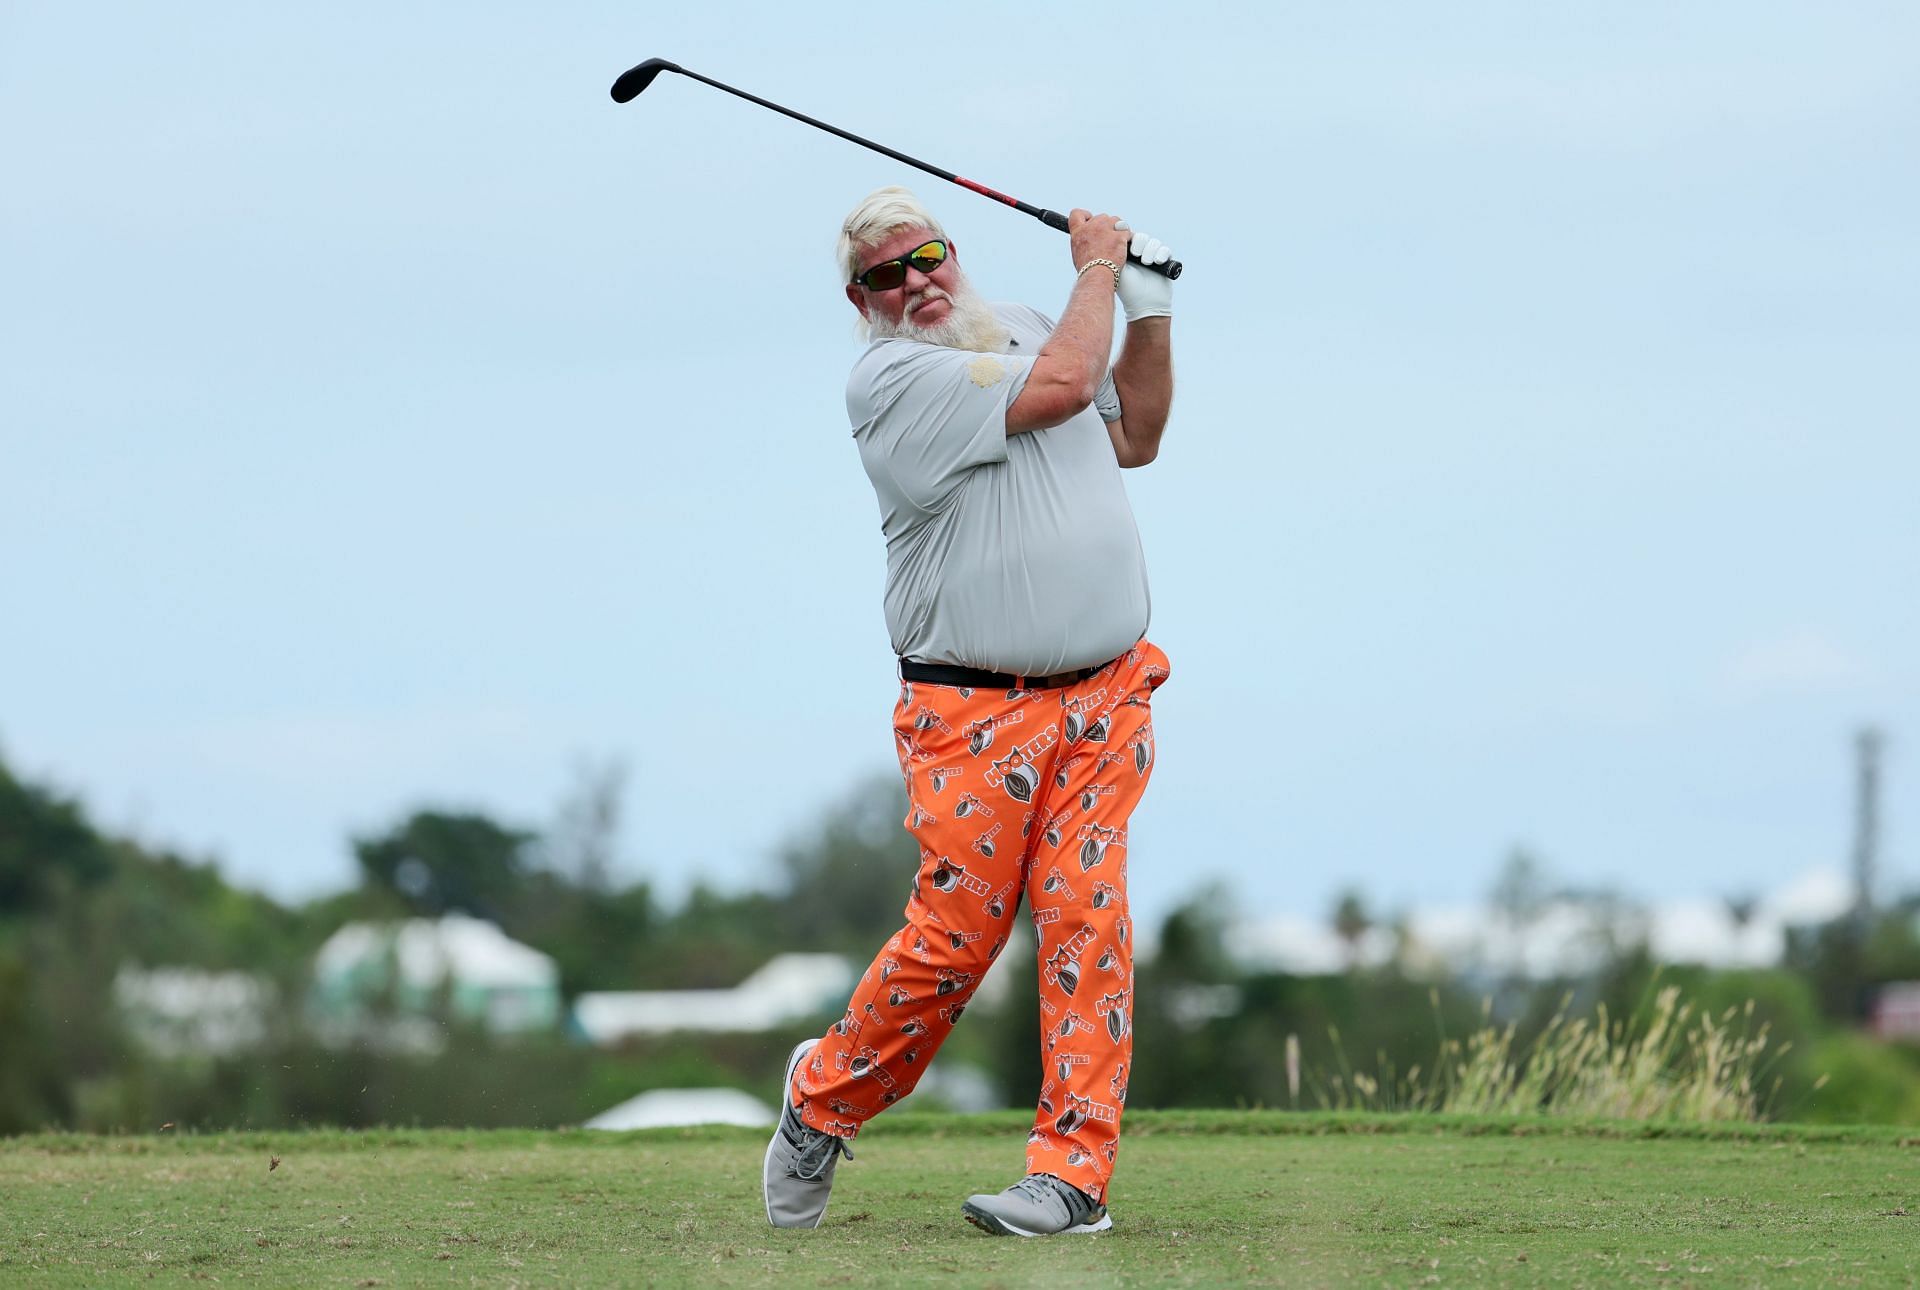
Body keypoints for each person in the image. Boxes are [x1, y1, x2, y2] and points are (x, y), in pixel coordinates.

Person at [762, 186, 1177, 1237]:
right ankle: (821, 1104)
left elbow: (1138, 436)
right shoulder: (893, 380)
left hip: (1104, 693)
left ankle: (1071, 1177)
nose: (914, 284)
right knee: (956, 941)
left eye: (927, 257)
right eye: (884, 276)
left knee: (1088, 918)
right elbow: (1063, 388)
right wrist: (1099, 269)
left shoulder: (1038, 328)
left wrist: (1152, 307)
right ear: (861, 302)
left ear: (956, 254)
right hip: (971, 714)